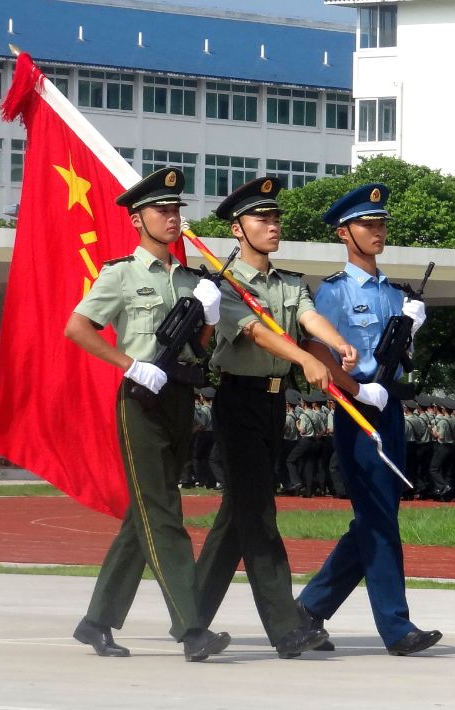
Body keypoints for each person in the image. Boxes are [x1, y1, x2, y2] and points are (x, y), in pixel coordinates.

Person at [64, 166, 230, 662]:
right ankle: (192, 628)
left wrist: (212, 315)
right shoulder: (121, 273)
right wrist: (130, 364)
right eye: (162, 210)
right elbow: (78, 328)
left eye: (177, 209)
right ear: (138, 219)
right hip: (140, 401)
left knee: (144, 513)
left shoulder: (191, 279)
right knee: (163, 513)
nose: (173, 218)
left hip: (180, 397)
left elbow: (202, 349)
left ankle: (96, 622)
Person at [192, 176, 339, 659]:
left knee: (238, 515)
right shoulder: (223, 285)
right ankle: (286, 625)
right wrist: (305, 360)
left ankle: (188, 616)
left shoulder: (289, 282)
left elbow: (306, 315)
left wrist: (335, 344)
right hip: (238, 401)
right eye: (262, 219)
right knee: (258, 512)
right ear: (237, 229)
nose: (273, 226)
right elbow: (254, 333)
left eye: (276, 218)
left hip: (275, 402)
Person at [294, 182, 442, 656]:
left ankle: (308, 608)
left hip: (391, 408)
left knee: (378, 515)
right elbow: (319, 353)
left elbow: (400, 356)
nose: (378, 232)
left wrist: (411, 326)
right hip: (358, 410)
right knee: (378, 520)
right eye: (367, 224)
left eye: (381, 224)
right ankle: (396, 627)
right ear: (344, 233)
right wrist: (360, 390)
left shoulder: (393, 293)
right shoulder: (335, 293)